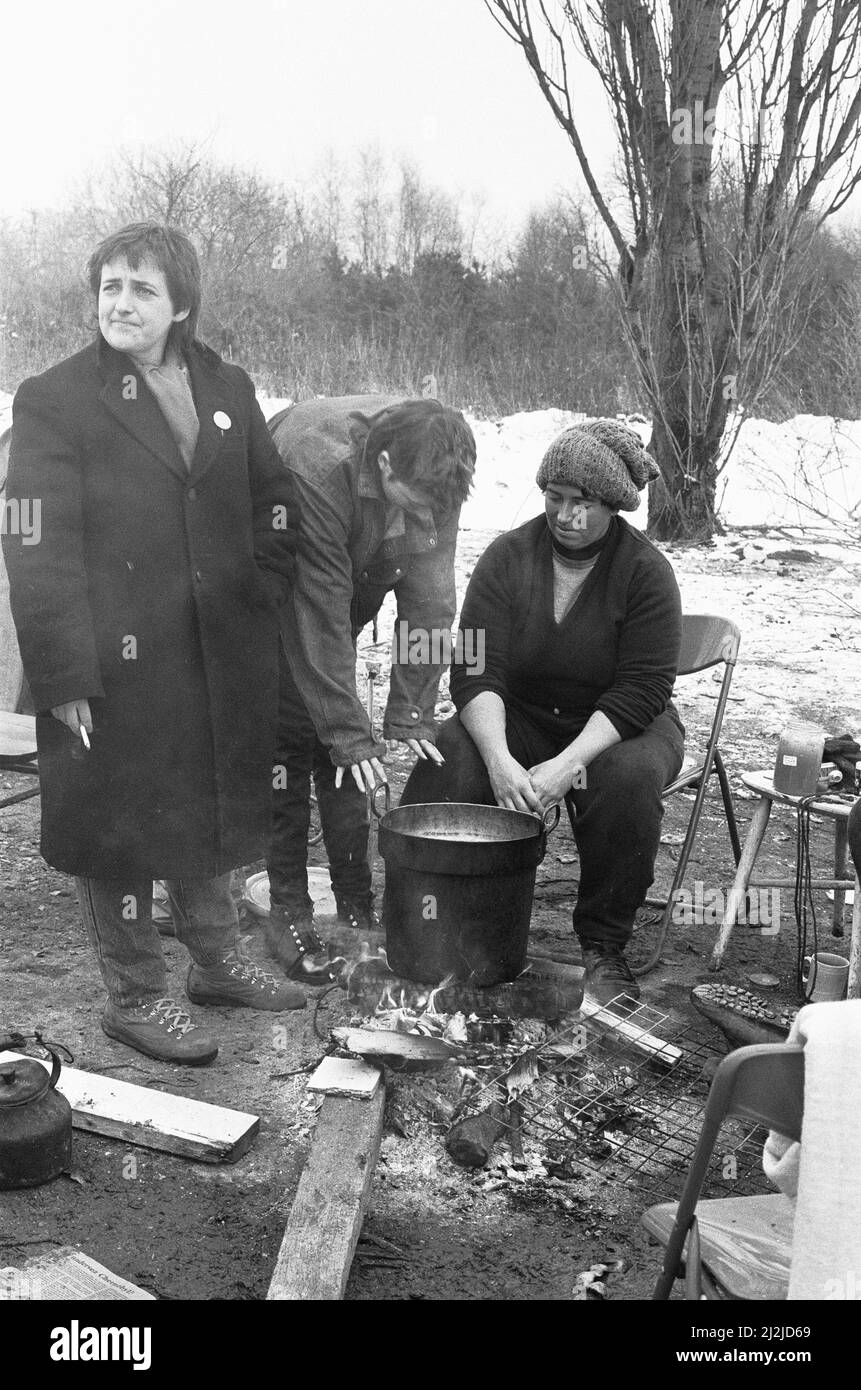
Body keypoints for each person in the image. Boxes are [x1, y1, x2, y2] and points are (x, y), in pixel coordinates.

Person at [3, 222, 304, 1066]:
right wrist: (64, 673)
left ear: (181, 306)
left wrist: (257, 595)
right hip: (105, 663)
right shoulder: (55, 398)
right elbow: (35, 543)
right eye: (110, 286)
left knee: (204, 806)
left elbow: (273, 506)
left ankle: (217, 964)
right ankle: (137, 998)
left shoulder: (226, 386)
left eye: (142, 289)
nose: (121, 304)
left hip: (211, 654)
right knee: (119, 826)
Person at [400, 419, 685, 1004]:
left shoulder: (646, 573)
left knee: (625, 782)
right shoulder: (508, 557)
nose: (564, 515)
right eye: (554, 498)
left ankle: (604, 947)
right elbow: (477, 669)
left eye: (582, 503)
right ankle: (430, 925)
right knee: (451, 759)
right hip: (520, 715)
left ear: (613, 507)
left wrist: (566, 767)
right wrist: (500, 759)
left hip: (617, 727)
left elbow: (641, 689)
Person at [265, 395, 476, 981]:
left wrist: (409, 712)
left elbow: (431, 604)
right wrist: (350, 735)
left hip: (342, 590)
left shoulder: (434, 479)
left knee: (344, 752)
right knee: (290, 742)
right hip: (269, 592)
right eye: (415, 507)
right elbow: (319, 613)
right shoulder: (316, 466)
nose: (425, 523)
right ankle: (289, 914)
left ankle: (356, 906)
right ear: (383, 465)